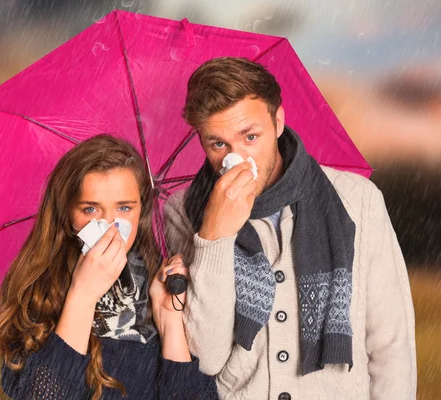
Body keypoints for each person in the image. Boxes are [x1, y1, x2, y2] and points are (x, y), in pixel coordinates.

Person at [163, 57, 417, 399]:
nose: (236, 158)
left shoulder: (357, 199)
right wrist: (214, 236)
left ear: (278, 121)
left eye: (250, 136)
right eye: (217, 144)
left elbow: (391, 344)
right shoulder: (184, 210)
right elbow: (206, 356)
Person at [0, 135, 218, 399]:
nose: (110, 224)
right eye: (90, 209)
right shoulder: (40, 295)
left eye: (124, 208)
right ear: (67, 215)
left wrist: (169, 323)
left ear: (141, 212)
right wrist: (83, 296)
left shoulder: (161, 287)